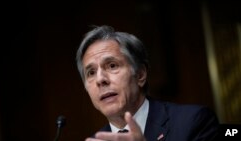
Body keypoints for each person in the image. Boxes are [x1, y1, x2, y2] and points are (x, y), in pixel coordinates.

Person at [76, 25, 219, 141]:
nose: (100, 79)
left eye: (112, 65)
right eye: (91, 73)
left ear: (140, 75)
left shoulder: (193, 122)